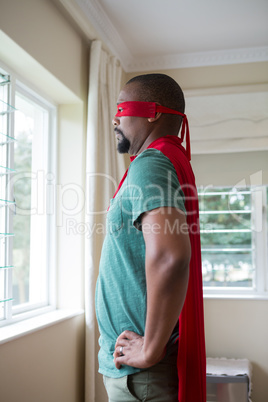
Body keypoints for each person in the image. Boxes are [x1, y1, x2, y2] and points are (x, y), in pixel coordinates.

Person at [95, 73, 206, 402]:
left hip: (141, 375)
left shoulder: (151, 164)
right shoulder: (167, 160)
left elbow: (171, 255)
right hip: (139, 373)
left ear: (151, 112)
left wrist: (149, 350)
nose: (115, 117)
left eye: (121, 107)